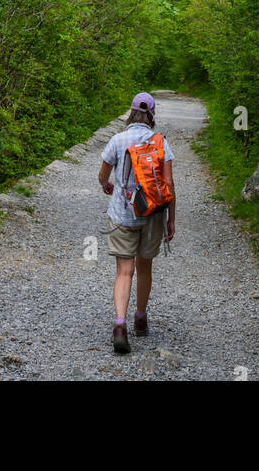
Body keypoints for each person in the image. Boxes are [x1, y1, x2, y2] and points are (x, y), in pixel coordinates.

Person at [98, 91, 176, 354]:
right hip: (153, 216)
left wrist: (106, 185)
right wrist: (171, 220)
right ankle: (140, 318)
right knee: (145, 268)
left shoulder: (118, 140)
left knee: (124, 271)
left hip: (122, 214)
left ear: (131, 112)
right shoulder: (160, 142)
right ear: (152, 115)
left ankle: (120, 327)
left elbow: (103, 174)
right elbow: (169, 185)